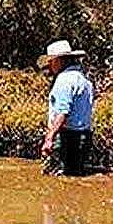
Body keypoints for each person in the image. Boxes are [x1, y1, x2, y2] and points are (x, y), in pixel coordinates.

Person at [41, 40, 94, 176]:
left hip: (66, 138)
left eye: (51, 62)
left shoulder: (63, 80)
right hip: (84, 137)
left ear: (58, 61)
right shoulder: (85, 80)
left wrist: (49, 138)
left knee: (55, 177)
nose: (49, 66)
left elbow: (63, 112)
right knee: (76, 177)